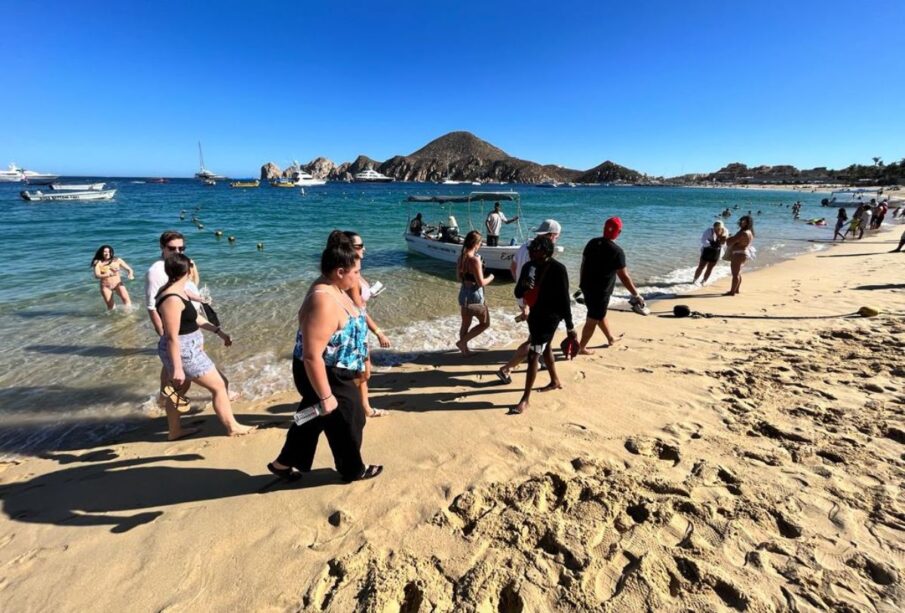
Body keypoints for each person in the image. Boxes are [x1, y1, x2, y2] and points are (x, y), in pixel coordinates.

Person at [268, 235, 382, 482]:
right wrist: (326, 395)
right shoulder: (324, 299)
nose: (358, 277)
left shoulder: (336, 288)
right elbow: (311, 355)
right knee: (348, 420)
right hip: (324, 372)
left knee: (309, 417)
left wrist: (363, 358)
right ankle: (353, 469)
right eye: (356, 272)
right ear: (340, 271)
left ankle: (282, 463)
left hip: (335, 368)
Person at [155, 253, 254, 439]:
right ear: (189, 270)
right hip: (184, 351)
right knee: (220, 385)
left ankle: (175, 431)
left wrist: (218, 332)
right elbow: (171, 337)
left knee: (179, 391)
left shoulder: (177, 289)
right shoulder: (172, 299)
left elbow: (194, 318)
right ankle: (232, 427)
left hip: (187, 348)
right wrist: (177, 368)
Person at [510, 235, 576, 415]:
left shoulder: (558, 269)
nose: (531, 252)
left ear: (546, 252)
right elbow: (517, 292)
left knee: (533, 355)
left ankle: (525, 399)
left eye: (535, 249)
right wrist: (524, 285)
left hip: (551, 318)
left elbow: (564, 300)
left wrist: (570, 328)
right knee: (545, 349)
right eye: (531, 249)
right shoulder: (528, 266)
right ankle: (555, 380)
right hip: (535, 314)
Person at [497, 219, 562, 383]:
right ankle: (507, 368)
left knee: (539, 336)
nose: (556, 240)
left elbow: (512, 268)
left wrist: (521, 291)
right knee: (535, 339)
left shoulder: (524, 246)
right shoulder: (541, 253)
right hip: (533, 301)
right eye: (557, 237)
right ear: (551, 235)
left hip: (524, 298)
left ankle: (542, 362)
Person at [335, 231, 391, 418]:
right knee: (364, 374)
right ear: (349, 249)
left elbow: (359, 303)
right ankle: (339, 405)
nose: (364, 249)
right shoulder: (350, 276)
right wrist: (379, 332)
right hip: (356, 330)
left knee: (363, 373)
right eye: (359, 246)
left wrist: (369, 293)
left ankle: (364, 408)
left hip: (359, 328)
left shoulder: (356, 272)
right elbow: (359, 311)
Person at [577, 217, 645, 354]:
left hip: (586, 286)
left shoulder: (592, 243)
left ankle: (610, 338)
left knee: (599, 314)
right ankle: (581, 347)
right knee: (593, 318)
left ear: (604, 228)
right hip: (601, 291)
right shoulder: (617, 251)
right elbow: (624, 277)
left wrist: (582, 283)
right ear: (619, 232)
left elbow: (583, 264)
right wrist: (636, 294)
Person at [456, 230, 494, 356]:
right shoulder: (475, 260)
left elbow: (458, 277)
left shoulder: (461, 257)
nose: (481, 246)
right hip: (474, 295)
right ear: (476, 243)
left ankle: (465, 351)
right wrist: (491, 277)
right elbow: (481, 282)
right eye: (480, 243)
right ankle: (462, 343)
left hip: (463, 293)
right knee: (485, 323)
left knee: (465, 324)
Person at [91, 245, 134, 310]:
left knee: (127, 301)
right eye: (105, 251)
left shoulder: (117, 260)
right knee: (111, 307)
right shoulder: (97, 262)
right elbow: (97, 275)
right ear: (101, 253)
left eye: (109, 251)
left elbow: (129, 269)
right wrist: (108, 274)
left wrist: (130, 275)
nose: (107, 253)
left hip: (118, 284)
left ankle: (129, 318)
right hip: (106, 286)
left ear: (111, 252)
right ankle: (114, 319)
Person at [723, 215, 756, 296]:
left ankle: (732, 292)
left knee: (735, 274)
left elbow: (730, 243)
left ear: (747, 223)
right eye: (741, 221)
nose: (741, 223)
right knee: (738, 273)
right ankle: (736, 290)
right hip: (743, 253)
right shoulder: (750, 232)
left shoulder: (743, 232)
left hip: (739, 253)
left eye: (743, 221)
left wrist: (727, 238)